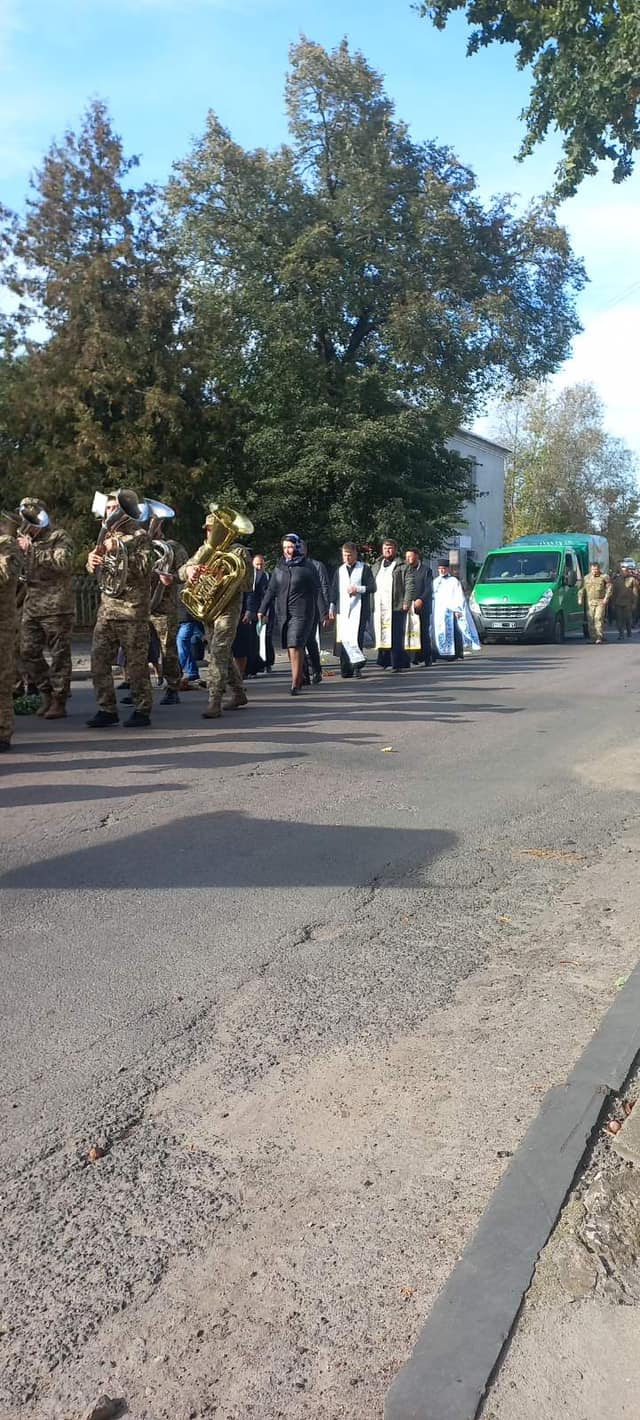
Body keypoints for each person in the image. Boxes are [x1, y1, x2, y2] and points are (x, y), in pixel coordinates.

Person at [86, 489, 154, 728]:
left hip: (132, 612)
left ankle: (142, 709)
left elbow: (145, 567)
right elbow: (96, 568)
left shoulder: (140, 536)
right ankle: (107, 709)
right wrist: (92, 560)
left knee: (135, 666)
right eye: (109, 508)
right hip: (107, 611)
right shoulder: (104, 537)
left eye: (116, 508)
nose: (112, 512)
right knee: (98, 662)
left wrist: (119, 552)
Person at [181, 507, 252, 720]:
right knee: (221, 653)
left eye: (215, 529)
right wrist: (190, 572)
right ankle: (239, 693)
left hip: (228, 609)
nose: (211, 534)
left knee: (218, 651)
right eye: (210, 530)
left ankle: (214, 700)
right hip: (209, 610)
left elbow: (248, 585)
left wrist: (220, 576)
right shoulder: (204, 550)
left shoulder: (238, 552)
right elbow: (182, 570)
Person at [17, 497, 75, 720]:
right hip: (32, 605)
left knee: (59, 656)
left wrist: (33, 550)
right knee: (27, 652)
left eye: (30, 518)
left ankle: (59, 701)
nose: (26, 524)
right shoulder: (25, 540)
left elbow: (64, 563)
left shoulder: (58, 536)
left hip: (57, 606)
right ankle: (47, 693)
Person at [258, 534, 320, 695]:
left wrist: (325, 613)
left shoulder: (307, 567)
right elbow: (271, 590)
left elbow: (317, 591)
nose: (288, 550)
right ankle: (298, 675)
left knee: (295, 643)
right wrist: (262, 609)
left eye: (291, 547)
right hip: (284, 612)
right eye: (285, 547)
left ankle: (295, 682)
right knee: (290, 645)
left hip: (303, 611)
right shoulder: (280, 567)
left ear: (297, 547)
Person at [145, 518, 189, 705]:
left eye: (151, 523)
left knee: (167, 649)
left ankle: (172, 687)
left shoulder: (172, 548)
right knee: (138, 650)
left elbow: (186, 572)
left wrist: (172, 577)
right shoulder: (138, 547)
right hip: (139, 606)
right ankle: (140, 689)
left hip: (164, 607)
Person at [328, 541, 376, 678]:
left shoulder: (364, 569)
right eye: (344, 555)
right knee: (344, 639)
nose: (347, 558)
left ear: (355, 554)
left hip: (359, 610)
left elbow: (372, 587)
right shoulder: (340, 570)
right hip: (343, 610)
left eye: (349, 555)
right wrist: (331, 606)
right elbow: (334, 590)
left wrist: (358, 589)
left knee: (356, 638)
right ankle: (345, 668)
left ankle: (357, 667)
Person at [371, 538, 415, 671]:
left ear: (395, 550)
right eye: (385, 548)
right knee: (381, 632)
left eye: (390, 548)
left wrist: (407, 601)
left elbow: (410, 585)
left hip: (396, 605)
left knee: (396, 636)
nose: (387, 551)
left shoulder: (402, 566)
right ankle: (384, 661)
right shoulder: (377, 564)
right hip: (379, 606)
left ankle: (398, 663)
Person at [0, 512, 23, 752]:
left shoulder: (7, 545)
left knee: (2, 680)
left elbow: (4, 576)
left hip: (2, 626)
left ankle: (3, 732)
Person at [300, 541, 330, 684]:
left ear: (306, 550)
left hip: (312, 609)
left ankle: (316, 670)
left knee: (310, 641)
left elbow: (323, 588)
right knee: (297, 643)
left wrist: (324, 611)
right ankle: (303, 673)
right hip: (296, 610)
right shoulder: (289, 565)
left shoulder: (316, 566)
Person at [432, 558, 467, 659]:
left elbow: (459, 596)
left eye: (443, 568)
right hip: (438, 611)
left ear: (448, 569)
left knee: (453, 631)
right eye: (440, 569)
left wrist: (457, 609)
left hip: (450, 610)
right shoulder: (435, 582)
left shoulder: (454, 581)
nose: (442, 571)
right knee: (438, 631)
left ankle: (455, 653)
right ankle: (438, 653)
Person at [404, 547, 433, 666]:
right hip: (408, 606)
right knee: (409, 632)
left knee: (423, 632)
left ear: (417, 556)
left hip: (422, 606)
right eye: (407, 557)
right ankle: (412, 657)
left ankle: (427, 657)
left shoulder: (426, 570)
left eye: (410, 556)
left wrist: (421, 599)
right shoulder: (405, 569)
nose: (408, 559)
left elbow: (428, 588)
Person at [250, 553, 274, 675]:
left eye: (261, 564)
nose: (259, 567)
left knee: (267, 637)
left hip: (266, 610)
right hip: (254, 611)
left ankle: (268, 662)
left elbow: (268, 595)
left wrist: (265, 612)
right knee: (256, 638)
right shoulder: (251, 577)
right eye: (257, 564)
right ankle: (258, 663)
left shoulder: (268, 576)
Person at [578, 561, 612, 644]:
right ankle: (593, 637)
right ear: (591, 569)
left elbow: (609, 588)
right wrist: (580, 598)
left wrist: (606, 598)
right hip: (590, 602)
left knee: (598, 618)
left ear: (599, 569)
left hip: (600, 601)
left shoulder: (604, 577)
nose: (595, 571)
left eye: (596, 569)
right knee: (590, 620)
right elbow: (582, 589)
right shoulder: (586, 578)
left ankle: (599, 637)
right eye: (593, 569)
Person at [610, 563, 637, 640]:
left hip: (628, 603)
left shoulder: (632, 580)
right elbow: (613, 593)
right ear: (620, 572)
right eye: (622, 571)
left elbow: (635, 593)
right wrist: (612, 603)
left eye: (626, 571)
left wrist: (634, 603)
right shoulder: (616, 580)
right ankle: (621, 634)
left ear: (628, 571)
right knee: (619, 619)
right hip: (618, 603)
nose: (624, 572)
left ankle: (629, 631)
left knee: (628, 618)